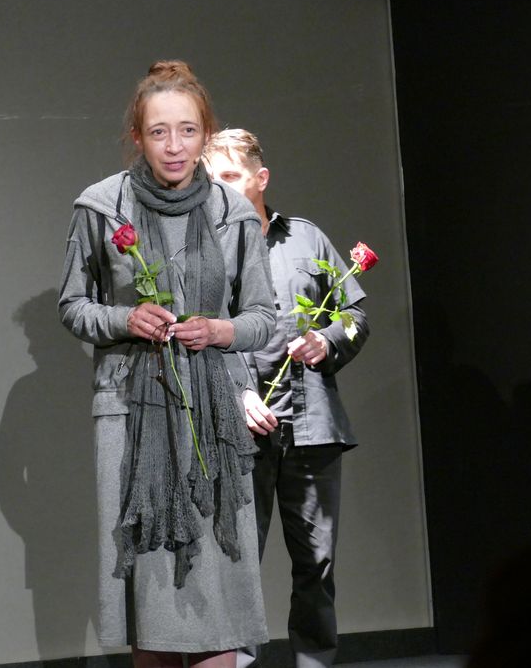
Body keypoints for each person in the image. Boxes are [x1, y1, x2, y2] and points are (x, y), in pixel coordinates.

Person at [59, 61, 275, 668]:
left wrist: (222, 330)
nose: (174, 146)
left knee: (219, 598)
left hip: (215, 418)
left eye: (187, 130)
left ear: (205, 134)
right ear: (138, 137)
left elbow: (264, 317)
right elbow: (73, 306)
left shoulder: (233, 212)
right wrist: (125, 319)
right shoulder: (102, 206)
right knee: (149, 596)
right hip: (130, 413)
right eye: (159, 132)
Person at [203, 129, 369, 668]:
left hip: (311, 425)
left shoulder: (306, 238)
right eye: (211, 180)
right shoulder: (204, 251)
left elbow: (354, 315)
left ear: (261, 178)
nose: (220, 188)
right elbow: (197, 337)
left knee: (317, 565)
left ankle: (314, 663)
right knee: (238, 567)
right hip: (240, 430)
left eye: (230, 177)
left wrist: (329, 339)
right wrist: (238, 393)